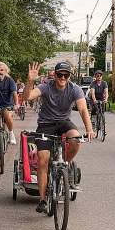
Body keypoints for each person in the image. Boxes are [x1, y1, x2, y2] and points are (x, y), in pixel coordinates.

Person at [25, 61, 94, 214]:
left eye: (66, 75)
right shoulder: (45, 86)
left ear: (69, 76)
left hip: (64, 122)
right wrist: (30, 81)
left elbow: (82, 109)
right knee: (43, 160)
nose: (63, 77)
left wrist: (89, 129)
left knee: (75, 139)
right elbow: (28, 96)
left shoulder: (75, 89)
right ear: (55, 75)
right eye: (60, 74)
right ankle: (43, 199)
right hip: (46, 124)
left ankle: (65, 165)